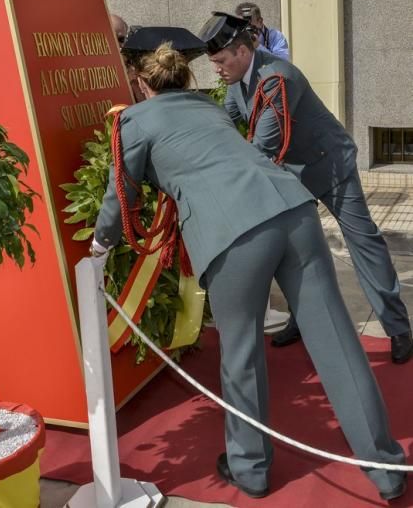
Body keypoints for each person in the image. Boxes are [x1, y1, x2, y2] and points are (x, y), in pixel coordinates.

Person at [90, 43, 406, 501]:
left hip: (233, 234)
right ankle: (386, 466)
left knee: (241, 356)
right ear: (186, 79)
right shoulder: (212, 109)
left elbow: (121, 192)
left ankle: (251, 469)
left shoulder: (133, 121)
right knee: (337, 342)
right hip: (294, 211)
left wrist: (100, 244)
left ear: (141, 84)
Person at [203, 11, 412, 363]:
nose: (217, 70)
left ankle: (398, 326)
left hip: (330, 166)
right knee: (293, 250)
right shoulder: (237, 79)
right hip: (292, 171)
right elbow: (226, 120)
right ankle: (301, 319)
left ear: (242, 51)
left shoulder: (278, 77)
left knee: (363, 242)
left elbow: (262, 147)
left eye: (221, 61)